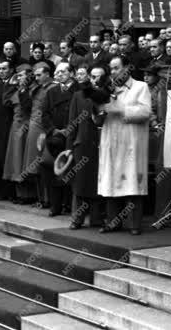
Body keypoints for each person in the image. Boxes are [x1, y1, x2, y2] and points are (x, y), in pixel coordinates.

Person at [97, 55, 151, 235]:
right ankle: (113, 222)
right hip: (111, 141)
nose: (113, 72)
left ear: (127, 68)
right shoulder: (107, 89)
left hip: (131, 143)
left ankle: (134, 224)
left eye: (116, 67)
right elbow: (98, 115)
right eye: (111, 68)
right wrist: (98, 110)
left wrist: (121, 109)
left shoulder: (140, 87)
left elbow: (145, 112)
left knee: (132, 182)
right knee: (111, 181)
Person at [63, 65, 106, 229]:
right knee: (80, 183)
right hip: (82, 144)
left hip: (102, 145)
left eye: (100, 76)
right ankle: (77, 218)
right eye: (93, 76)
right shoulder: (78, 95)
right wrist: (69, 147)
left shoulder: (106, 96)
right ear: (89, 77)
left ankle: (96, 218)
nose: (96, 79)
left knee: (98, 183)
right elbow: (72, 122)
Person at [40, 62, 79, 216]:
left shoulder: (79, 90)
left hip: (72, 138)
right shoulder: (52, 91)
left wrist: (70, 130)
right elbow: (45, 114)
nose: (59, 75)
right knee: (52, 171)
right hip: (55, 138)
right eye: (57, 72)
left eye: (63, 72)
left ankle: (69, 205)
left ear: (71, 73)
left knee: (70, 171)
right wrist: (54, 130)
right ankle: (55, 206)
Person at [22, 62, 56, 208]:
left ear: (47, 74)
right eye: (35, 75)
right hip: (33, 127)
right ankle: (41, 198)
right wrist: (24, 88)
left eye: (39, 75)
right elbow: (27, 105)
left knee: (45, 164)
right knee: (34, 166)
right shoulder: (36, 88)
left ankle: (48, 199)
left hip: (43, 129)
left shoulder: (53, 88)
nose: (36, 78)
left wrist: (47, 131)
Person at [3, 64, 35, 204]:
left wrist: (23, 89)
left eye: (21, 75)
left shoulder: (31, 91)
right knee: (15, 161)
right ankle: (19, 193)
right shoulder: (16, 89)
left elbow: (28, 107)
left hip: (25, 126)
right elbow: (5, 101)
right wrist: (12, 84)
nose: (19, 78)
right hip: (15, 127)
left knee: (23, 160)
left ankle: (27, 195)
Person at [0, 60, 17, 200]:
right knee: (0, 159)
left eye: (4, 69)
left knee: (11, 158)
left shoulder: (14, 85)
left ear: (11, 70)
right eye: (0, 69)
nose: (1, 71)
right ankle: (2, 191)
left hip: (12, 126)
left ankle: (13, 192)